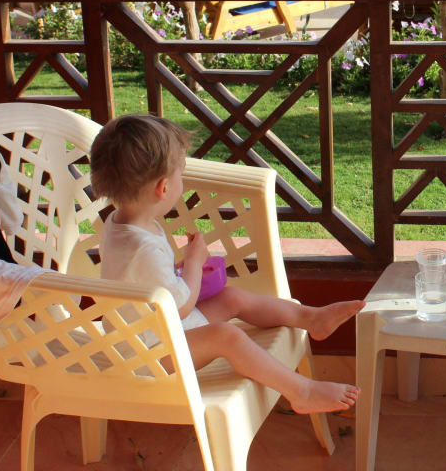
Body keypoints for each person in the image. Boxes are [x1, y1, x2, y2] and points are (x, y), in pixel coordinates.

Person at [89, 115, 364, 414]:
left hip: (150, 332)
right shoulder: (143, 247)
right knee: (227, 336)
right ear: (163, 188)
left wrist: (180, 268)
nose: (183, 180)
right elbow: (179, 305)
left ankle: (311, 319)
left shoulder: (120, 223)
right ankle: (302, 391)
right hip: (149, 354)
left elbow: (144, 281)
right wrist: (193, 263)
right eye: (181, 173)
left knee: (231, 297)